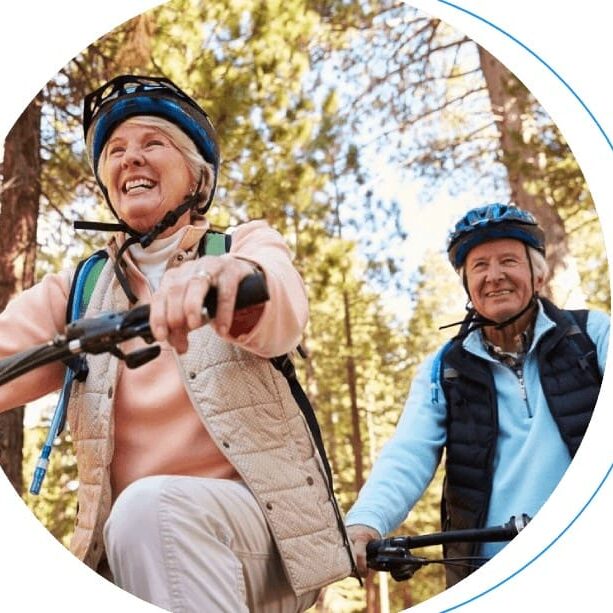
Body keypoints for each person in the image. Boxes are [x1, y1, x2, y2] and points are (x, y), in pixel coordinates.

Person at [0, 75, 355, 612]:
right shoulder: (79, 290)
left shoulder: (241, 243)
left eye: (153, 144)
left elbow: (281, 303)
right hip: (124, 552)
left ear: (196, 176)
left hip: (260, 541)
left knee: (153, 508)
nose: (131, 159)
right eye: (116, 151)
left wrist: (224, 279)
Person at [345, 203, 609, 586]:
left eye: (508, 261)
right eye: (480, 266)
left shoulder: (591, 334)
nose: (494, 276)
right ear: (467, 285)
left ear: (538, 276)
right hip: (490, 575)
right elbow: (408, 452)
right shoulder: (445, 369)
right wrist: (366, 522)